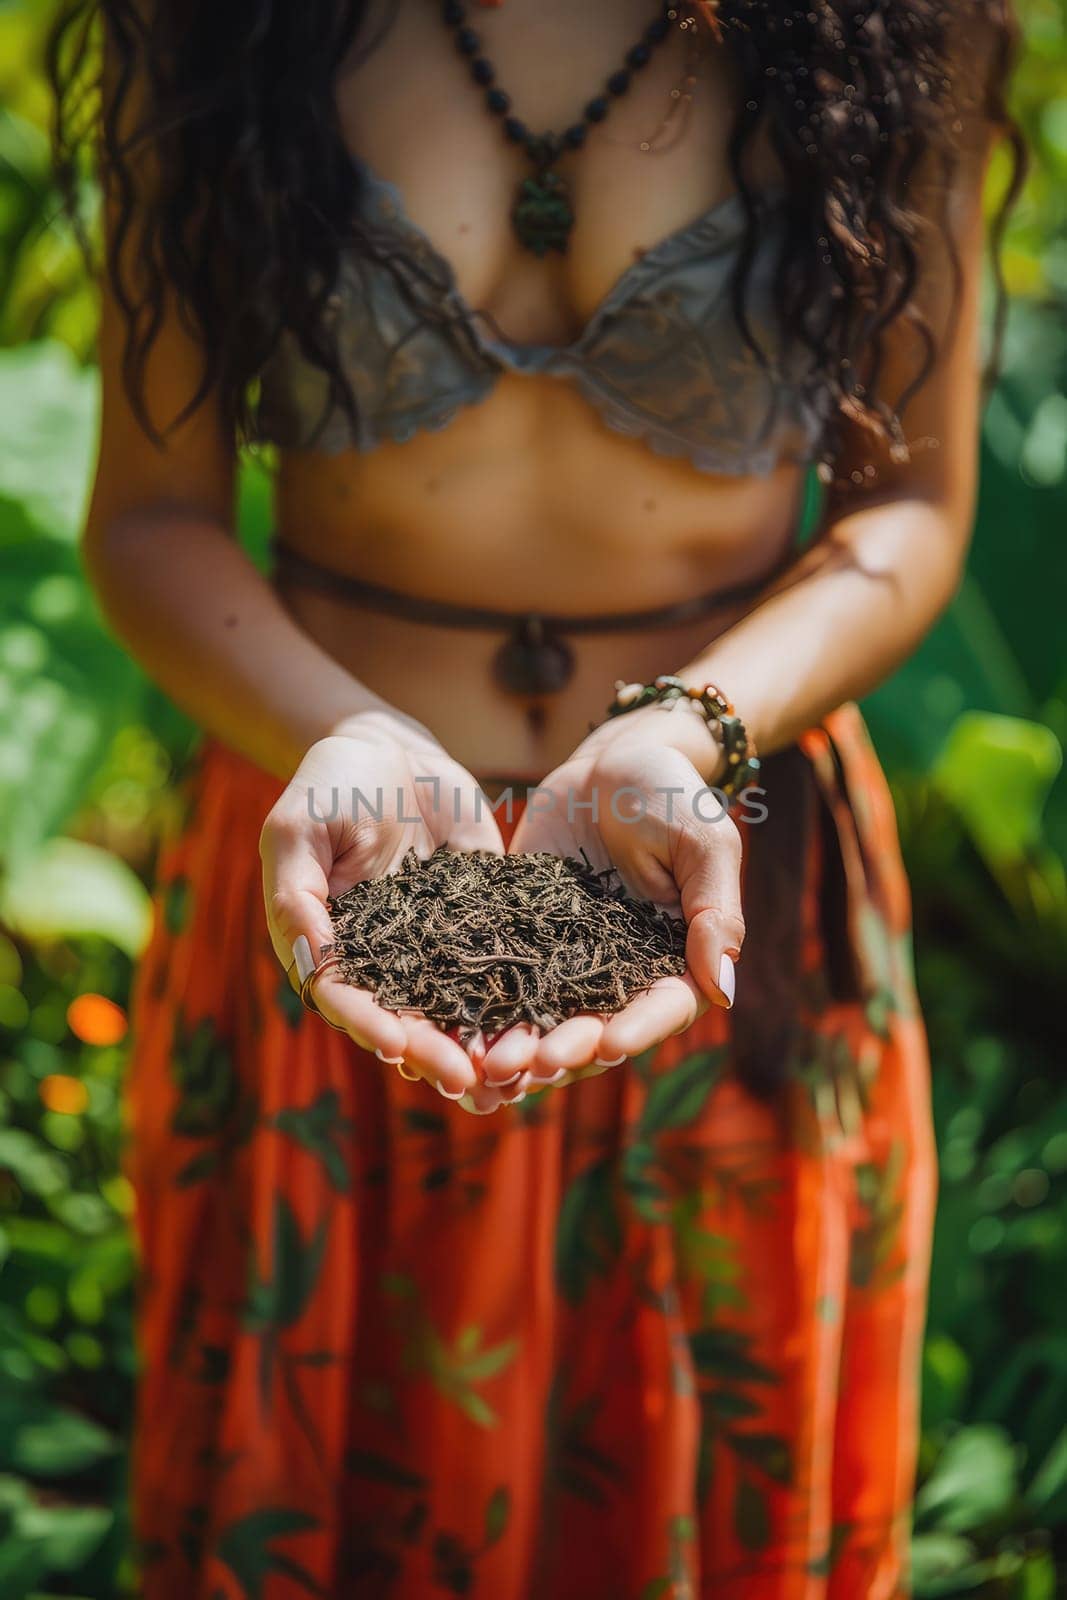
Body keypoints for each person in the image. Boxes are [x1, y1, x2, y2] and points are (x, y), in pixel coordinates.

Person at [52, 0, 1024, 1593]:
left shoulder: (891, 28)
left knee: (689, 1479)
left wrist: (688, 733)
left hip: (717, 864)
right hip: (335, 856)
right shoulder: (224, 27)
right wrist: (350, 737)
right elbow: (150, 522)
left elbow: (909, 509)